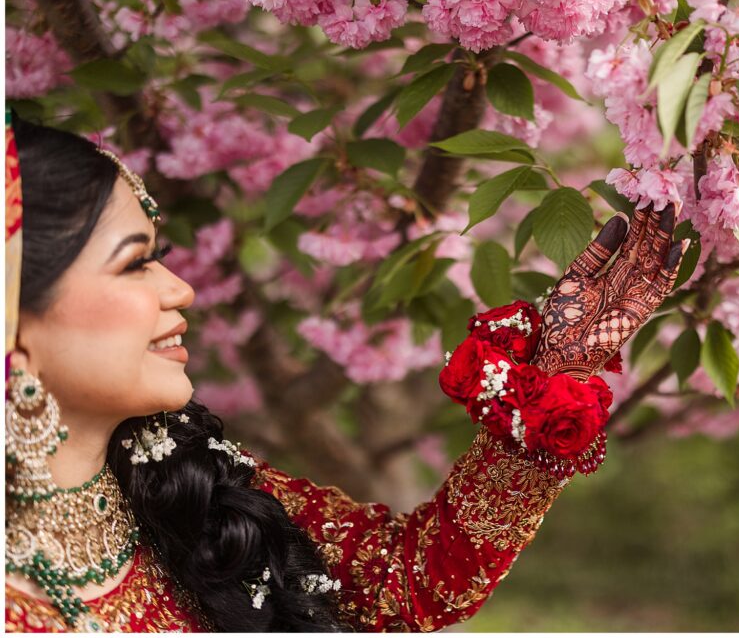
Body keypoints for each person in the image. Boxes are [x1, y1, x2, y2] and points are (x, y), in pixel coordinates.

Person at [4, 109, 685, 632]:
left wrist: (551, 370)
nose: (181, 288)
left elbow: (410, 580)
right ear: (14, 322)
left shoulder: (189, 486)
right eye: (134, 260)